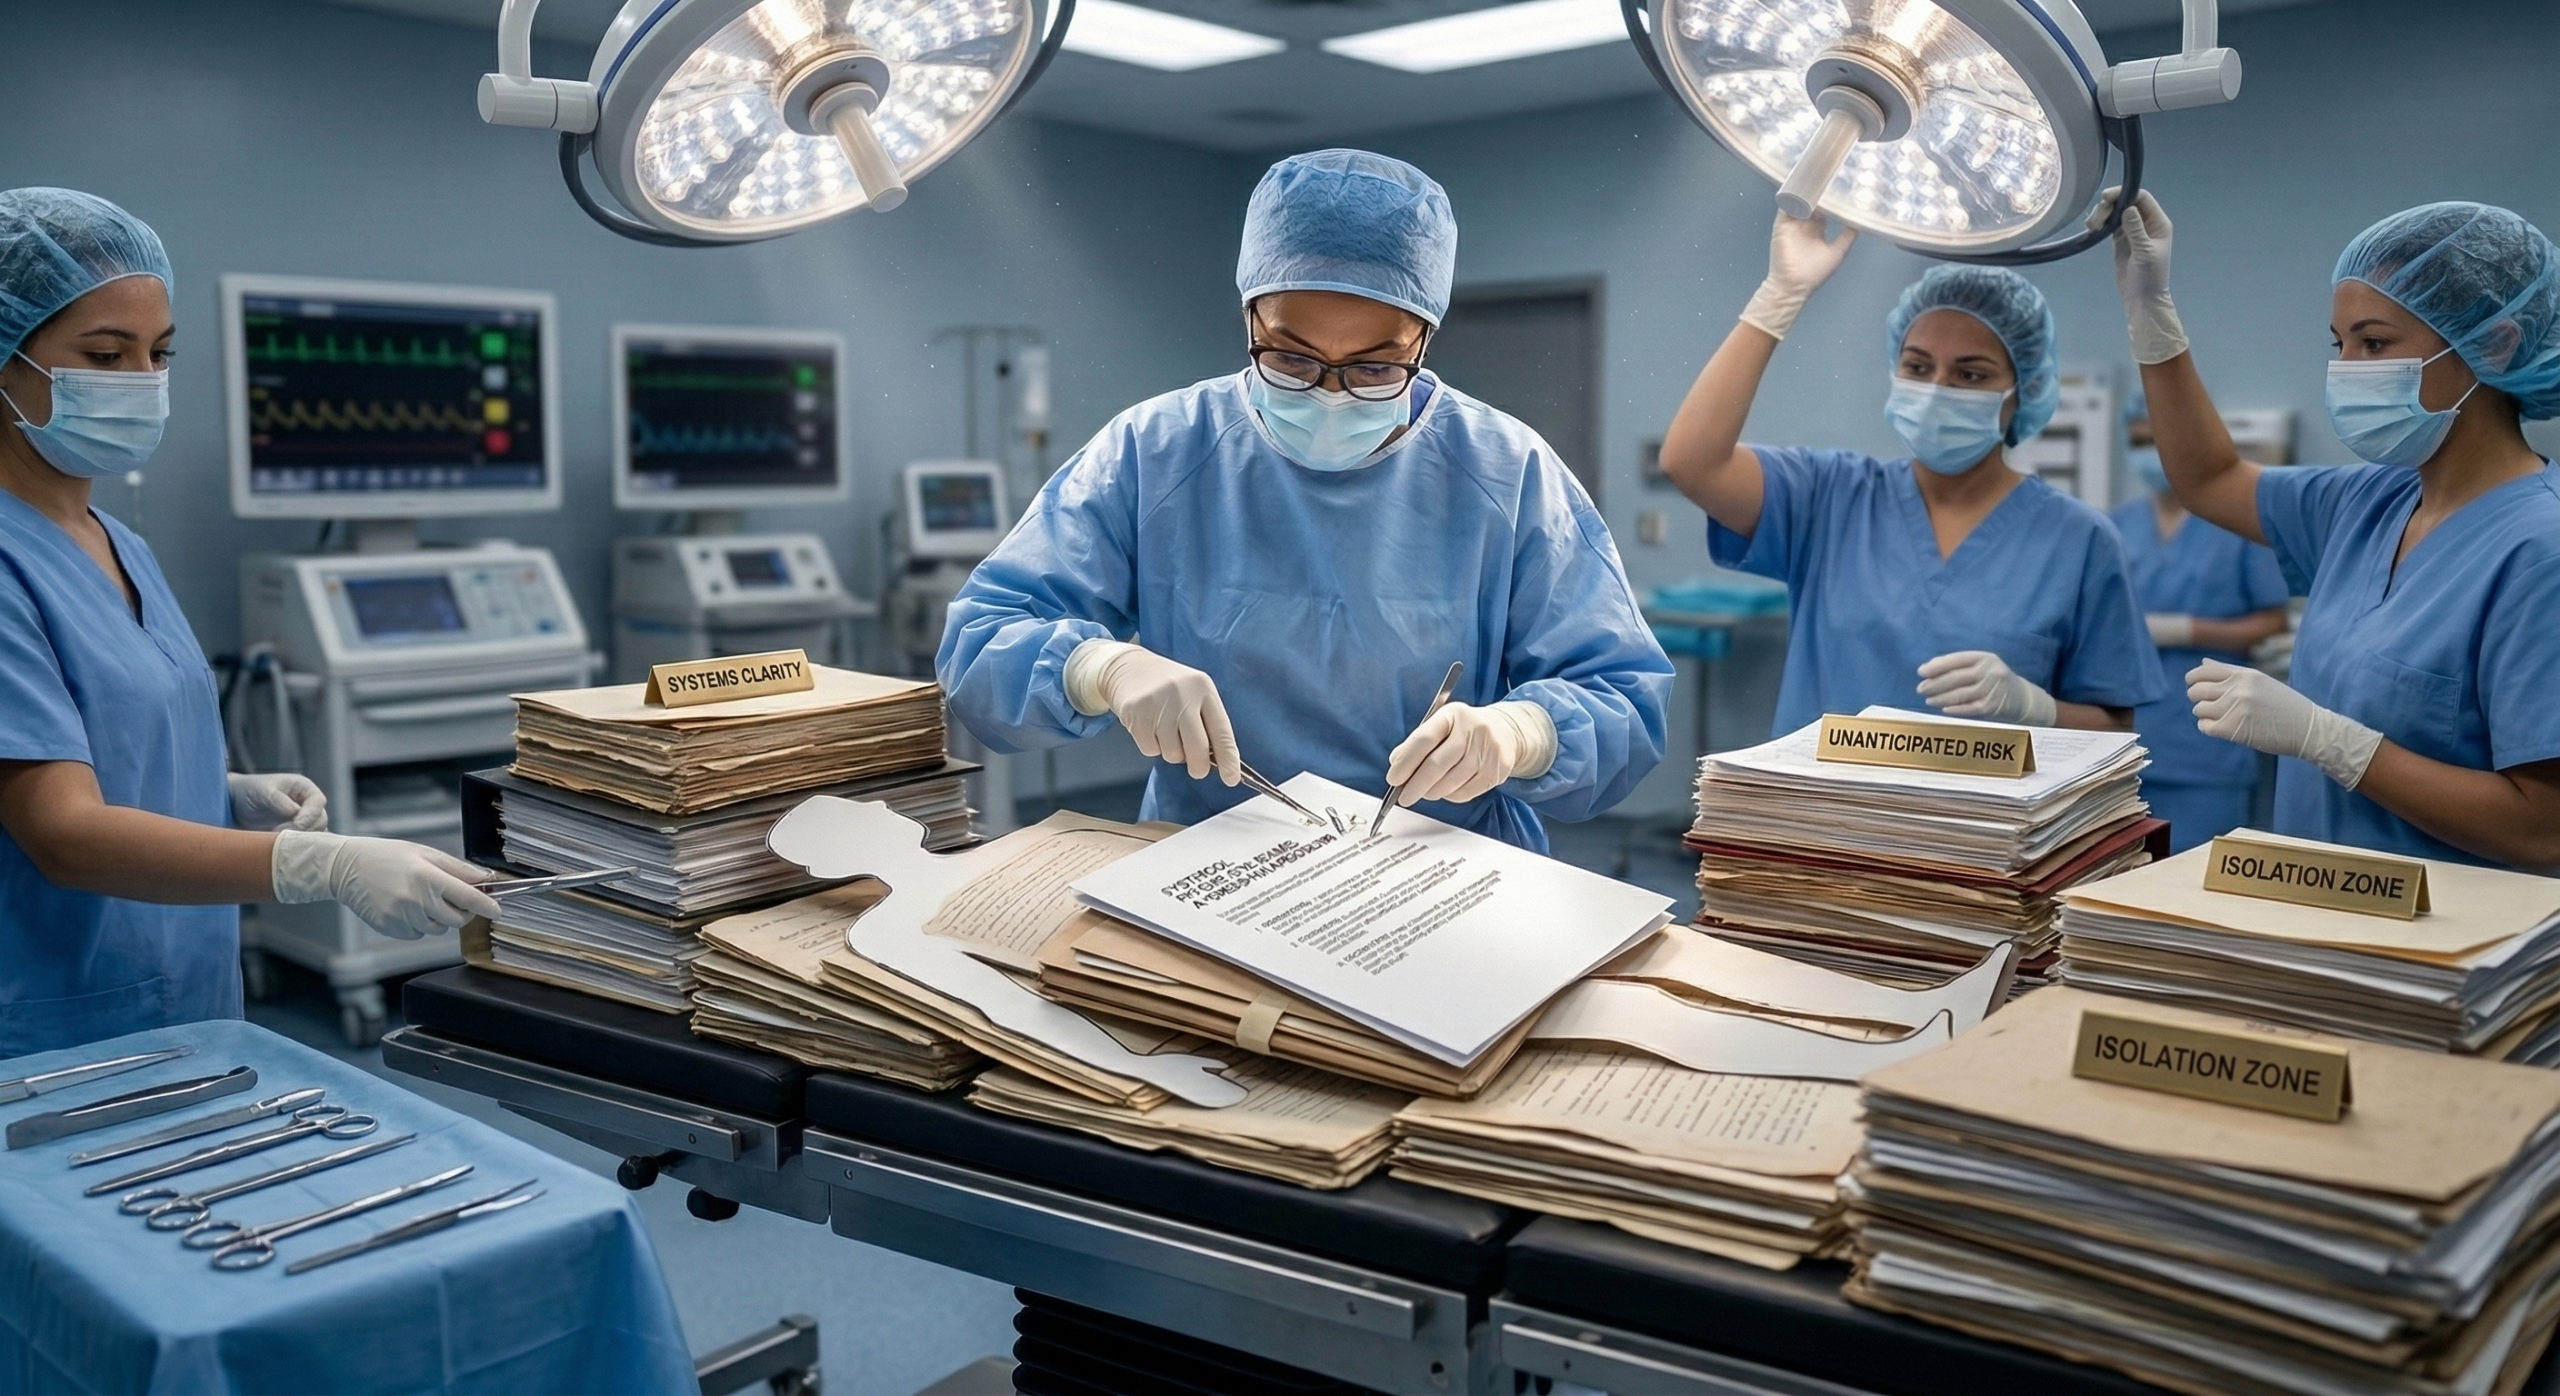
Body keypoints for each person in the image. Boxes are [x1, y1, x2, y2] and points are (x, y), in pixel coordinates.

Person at [938, 150, 1670, 852]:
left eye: (1376, 366)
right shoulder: (1156, 452)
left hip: (1446, 867)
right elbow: (980, 647)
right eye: (1291, 357)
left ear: (1425, 341)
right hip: (1206, 863)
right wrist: (1100, 670)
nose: (1328, 393)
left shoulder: (1506, 472)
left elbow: (1622, 705)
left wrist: (1524, 734)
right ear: (1250, 317)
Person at [0, 188, 501, 1056]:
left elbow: (107, 741)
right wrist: (325, 866)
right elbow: (64, 833)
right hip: (59, 1031)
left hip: (190, 1001)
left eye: (157, 354)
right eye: (105, 355)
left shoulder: (115, 541)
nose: (142, 383)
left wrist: (222, 796)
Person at [2099, 192, 2560, 869]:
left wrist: (2334, 744)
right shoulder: (2367, 502)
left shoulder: (2539, 551)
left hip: (2447, 960)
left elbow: (2543, 828)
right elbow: (2209, 478)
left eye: (2374, 342)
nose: (2346, 368)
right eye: (2340, 344)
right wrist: (2150, 312)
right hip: (2318, 928)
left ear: (2494, 342)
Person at [1659, 213, 2165, 737]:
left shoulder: (2080, 542)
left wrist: (2037, 710)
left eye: (1971, 374)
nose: (1938, 388)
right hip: (1824, 813)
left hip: (1981, 818)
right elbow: (1691, 461)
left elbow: (2115, 727)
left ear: (2025, 392)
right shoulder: (1830, 498)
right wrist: (1779, 295)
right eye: (1918, 367)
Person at [2108, 392, 2291, 851]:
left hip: (2208, 741)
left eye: (2159, 439)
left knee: (2195, 885)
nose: (2150, 451)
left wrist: (2185, 631)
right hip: (2126, 743)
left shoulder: (2237, 522)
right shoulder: (2116, 525)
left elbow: (2272, 621)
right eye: (2139, 441)